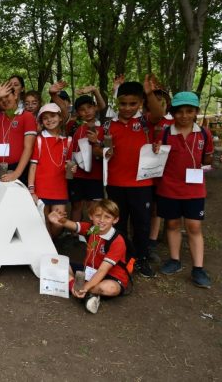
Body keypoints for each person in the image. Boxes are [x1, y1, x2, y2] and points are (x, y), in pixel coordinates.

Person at [154, 91, 222, 288]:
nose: (184, 115)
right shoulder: (166, 132)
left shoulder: (204, 133)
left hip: (194, 189)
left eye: (189, 111)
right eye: (179, 111)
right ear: (173, 112)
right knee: (172, 225)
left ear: (196, 112)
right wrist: (155, 151)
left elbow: (207, 159)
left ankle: (198, 268)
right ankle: (175, 260)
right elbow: (157, 159)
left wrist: (217, 160)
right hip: (169, 187)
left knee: (194, 226)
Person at [102, 76, 164, 278]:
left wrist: (148, 93)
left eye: (133, 104)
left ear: (140, 103)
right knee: (118, 223)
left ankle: (141, 258)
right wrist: (100, 150)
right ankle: (121, 257)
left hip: (141, 183)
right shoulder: (109, 125)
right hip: (115, 183)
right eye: (123, 104)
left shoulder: (146, 121)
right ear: (117, 103)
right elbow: (100, 150)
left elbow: (159, 113)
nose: (127, 108)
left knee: (141, 223)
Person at [48, 199, 131, 314]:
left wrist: (85, 287)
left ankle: (79, 290)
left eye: (107, 217)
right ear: (91, 216)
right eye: (98, 216)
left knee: (109, 288)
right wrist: (58, 219)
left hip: (111, 275)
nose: (101, 220)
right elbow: (71, 224)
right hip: (90, 270)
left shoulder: (117, 241)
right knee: (56, 264)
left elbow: (103, 270)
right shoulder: (92, 229)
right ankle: (86, 294)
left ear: (115, 220)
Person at [28, 103, 73, 238]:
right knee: (42, 222)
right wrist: (31, 190)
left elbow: (68, 165)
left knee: (58, 223)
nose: (49, 120)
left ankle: (51, 244)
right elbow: (33, 166)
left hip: (59, 188)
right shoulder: (39, 140)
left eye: (53, 116)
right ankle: (48, 252)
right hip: (41, 189)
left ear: (60, 117)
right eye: (45, 118)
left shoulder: (68, 141)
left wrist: (72, 168)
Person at [67, 95, 105, 224]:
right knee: (76, 205)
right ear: (78, 113)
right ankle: (75, 235)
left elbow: (107, 152)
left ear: (95, 108)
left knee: (93, 206)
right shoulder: (74, 127)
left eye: (89, 107)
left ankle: (93, 234)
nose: (87, 111)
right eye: (82, 109)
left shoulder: (103, 129)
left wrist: (96, 141)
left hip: (95, 175)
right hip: (77, 174)